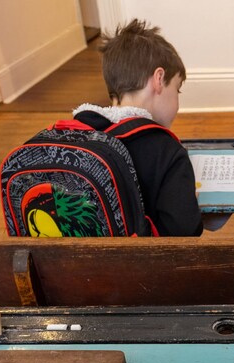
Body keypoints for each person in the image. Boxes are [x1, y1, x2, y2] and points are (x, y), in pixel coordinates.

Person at [71, 19, 202, 236]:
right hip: (139, 269)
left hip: (73, 267)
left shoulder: (79, 135)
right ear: (159, 79)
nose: (177, 103)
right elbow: (184, 233)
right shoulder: (166, 151)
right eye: (177, 89)